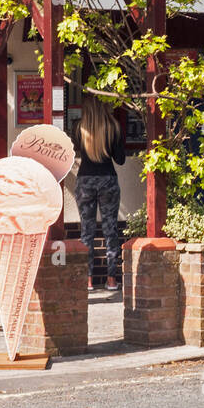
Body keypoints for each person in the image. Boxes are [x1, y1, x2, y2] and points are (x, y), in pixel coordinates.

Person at [74, 98, 126, 292]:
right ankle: (111, 280)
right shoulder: (113, 127)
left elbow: (76, 151)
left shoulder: (79, 128)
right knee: (110, 230)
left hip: (85, 181)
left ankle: (87, 281)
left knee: (86, 232)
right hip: (107, 180)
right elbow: (120, 159)